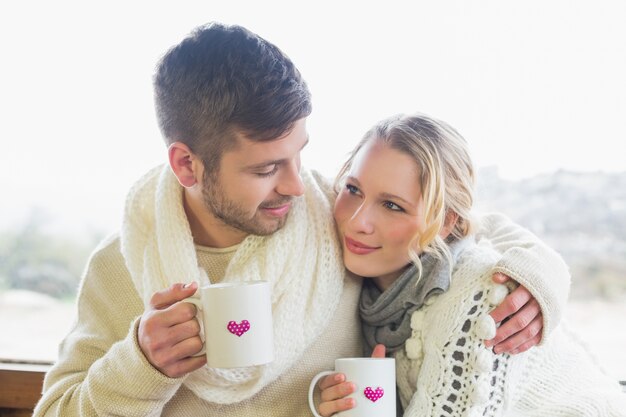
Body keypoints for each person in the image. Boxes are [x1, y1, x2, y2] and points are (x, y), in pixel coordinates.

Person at [34, 23, 570, 416]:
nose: (297, 184)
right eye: (267, 168)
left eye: (300, 154)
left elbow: (455, 221)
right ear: (186, 164)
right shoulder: (122, 264)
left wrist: (540, 275)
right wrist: (141, 365)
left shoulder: (331, 219)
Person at [316, 113, 626, 416]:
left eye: (392, 206)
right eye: (353, 190)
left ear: (445, 223)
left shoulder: (478, 296)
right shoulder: (376, 291)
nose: (357, 222)